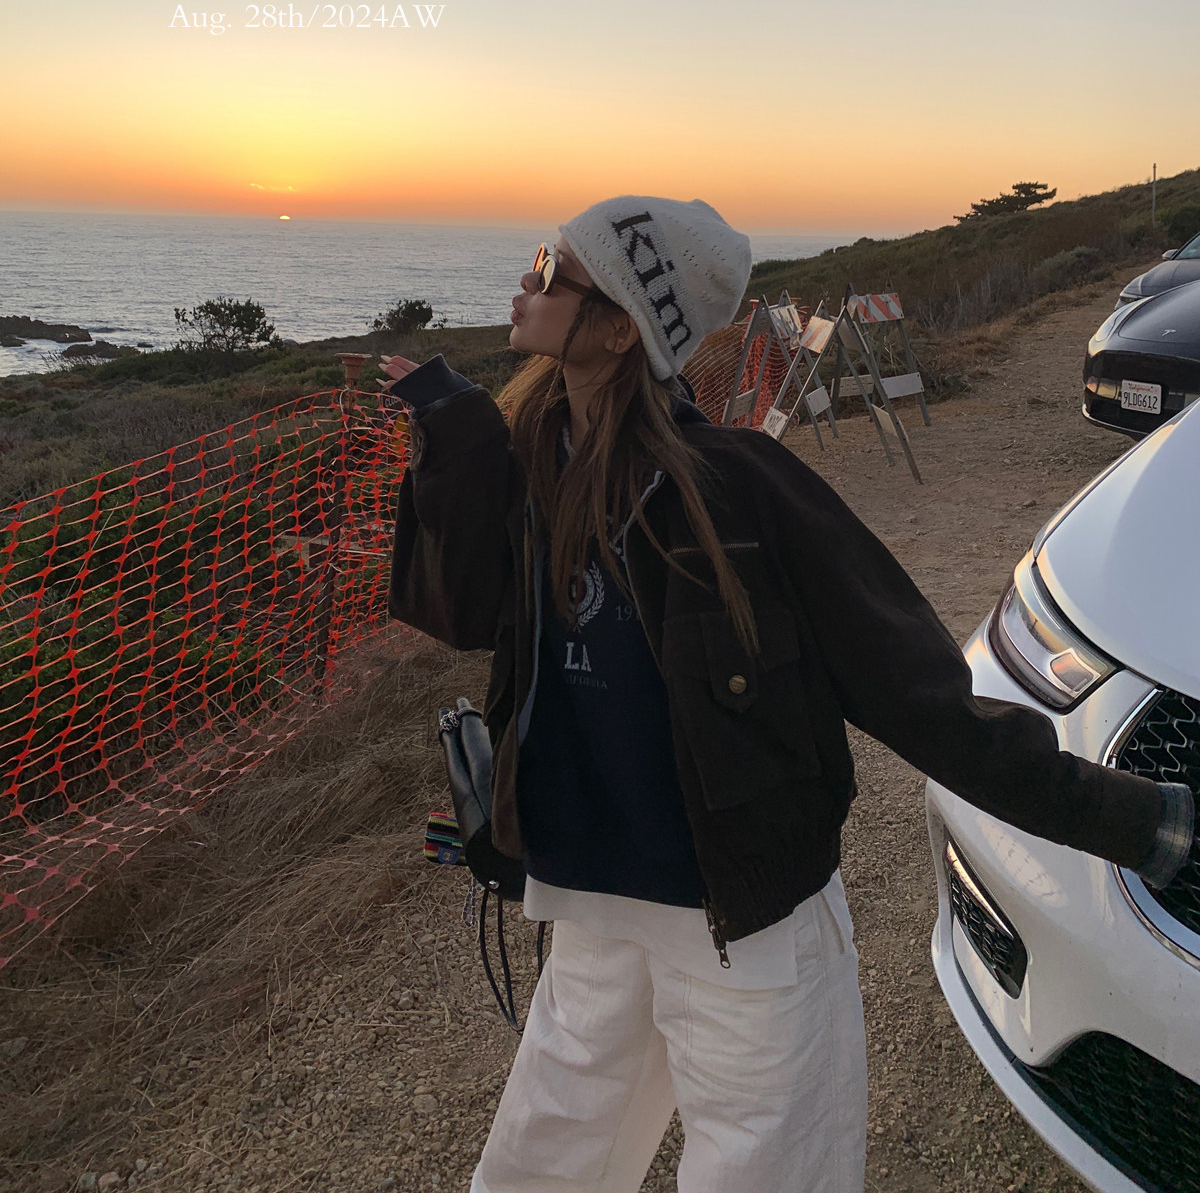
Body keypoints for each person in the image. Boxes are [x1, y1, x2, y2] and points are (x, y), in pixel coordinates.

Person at [382, 195, 1193, 1193]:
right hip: (590, 904)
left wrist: (1135, 818)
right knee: (543, 1163)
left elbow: (918, 695)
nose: (528, 278)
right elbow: (461, 610)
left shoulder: (740, 489)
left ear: (625, 324)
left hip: (743, 928)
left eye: (555, 267)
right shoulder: (533, 462)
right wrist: (455, 438)